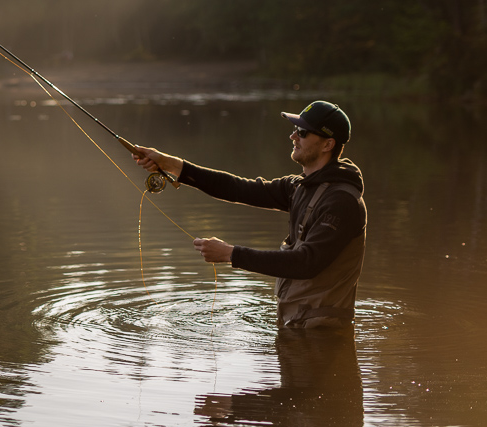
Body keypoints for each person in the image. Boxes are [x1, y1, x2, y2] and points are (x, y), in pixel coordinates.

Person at [132, 100, 366, 329]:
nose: (293, 136)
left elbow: (306, 263)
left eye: (303, 132)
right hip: (297, 325)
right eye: (295, 129)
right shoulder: (299, 187)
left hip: (325, 335)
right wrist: (168, 163)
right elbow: (236, 188)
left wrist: (231, 254)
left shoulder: (341, 202)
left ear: (328, 145)